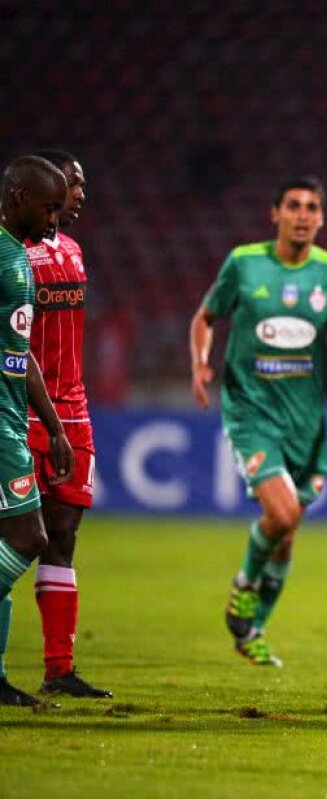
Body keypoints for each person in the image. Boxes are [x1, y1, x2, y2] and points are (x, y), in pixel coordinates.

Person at [190, 177, 327, 667]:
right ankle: (244, 584)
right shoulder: (244, 262)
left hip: (304, 421)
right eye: (293, 206)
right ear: (275, 213)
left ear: (322, 218)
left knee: (286, 531)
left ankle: (253, 629)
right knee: (284, 513)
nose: (302, 215)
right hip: (252, 411)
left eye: (312, 207)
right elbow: (205, 318)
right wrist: (201, 363)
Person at [21, 150, 111, 699]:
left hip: (73, 411)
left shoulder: (73, 251)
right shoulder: (14, 255)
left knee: (63, 537)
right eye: (74, 184)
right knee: (19, 537)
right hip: (23, 409)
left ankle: (59, 669)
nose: (80, 195)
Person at [0, 155, 75, 706]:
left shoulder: (19, 259)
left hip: (12, 414)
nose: (55, 219)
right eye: (49, 208)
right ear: (18, 197)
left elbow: (19, 354)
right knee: (30, 539)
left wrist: (54, 427)